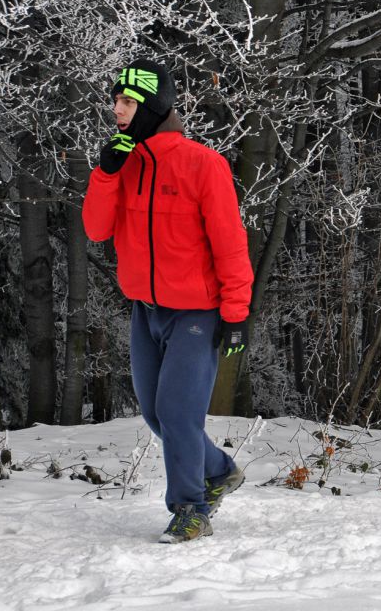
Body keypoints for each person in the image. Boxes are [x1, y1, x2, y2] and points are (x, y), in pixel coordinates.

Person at [82, 58, 254, 543]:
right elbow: (96, 229)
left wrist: (236, 314)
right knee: (158, 416)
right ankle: (218, 469)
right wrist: (106, 172)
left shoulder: (204, 164)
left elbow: (230, 243)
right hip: (146, 311)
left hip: (197, 312)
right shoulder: (124, 163)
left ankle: (191, 507)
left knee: (178, 414)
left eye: (127, 101)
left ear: (153, 106)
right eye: (116, 100)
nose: (117, 109)